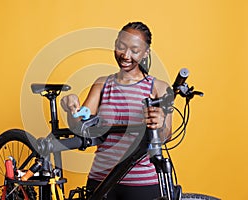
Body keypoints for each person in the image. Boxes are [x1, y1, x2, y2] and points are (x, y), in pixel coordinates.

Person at [61, 22, 172, 200]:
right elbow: (80, 126)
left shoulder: (159, 87)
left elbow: (167, 134)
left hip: (142, 184)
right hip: (101, 181)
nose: (126, 55)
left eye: (134, 50)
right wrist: (71, 107)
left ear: (146, 53)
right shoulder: (102, 84)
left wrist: (159, 124)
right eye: (121, 47)